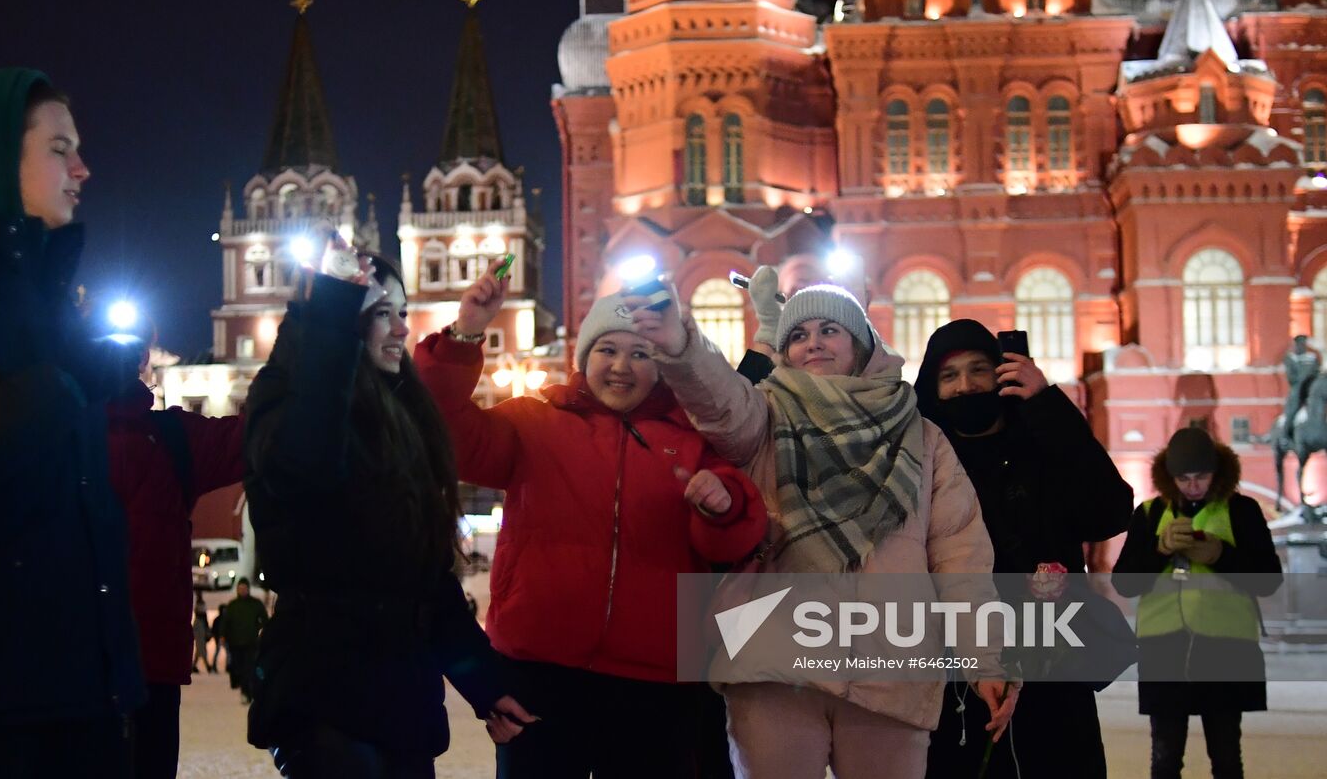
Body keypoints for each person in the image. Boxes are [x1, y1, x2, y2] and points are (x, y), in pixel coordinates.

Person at [631, 283, 1013, 779]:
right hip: (775, 662)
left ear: (861, 344)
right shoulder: (763, 415)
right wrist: (682, 345)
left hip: (889, 669)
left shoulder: (921, 435)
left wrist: (985, 658)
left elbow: (960, 557)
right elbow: (718, 402)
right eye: (798, 335)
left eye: (829, 330)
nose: (813, 343)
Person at [414, 261, 769, 778]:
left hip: (655, 685)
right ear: (585, 358)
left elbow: (732, 537)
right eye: (607, 350)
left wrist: (722, 505)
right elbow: (438, 428)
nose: (621, 366)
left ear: (662, 365)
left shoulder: (690, 440)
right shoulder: (533, 422)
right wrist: (465, 333)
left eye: (640, 353)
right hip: (539, 674)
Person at [0, 69, 145, 777]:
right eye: (59, 149)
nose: (83, 169)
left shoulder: (49, 296)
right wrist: (59, 386)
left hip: (81, 695)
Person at [245, 244, 530, 776]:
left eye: (402, 311)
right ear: (337, 318)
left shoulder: (403, 415)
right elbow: (308, 463)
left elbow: (427, 585)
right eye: (381, 313)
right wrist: (329, 308)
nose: (401, 328)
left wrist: (485, 683)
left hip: (403, 707)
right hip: (323, 702)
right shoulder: (286, 396)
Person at [914, 319, 1132, 778]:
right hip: (958, 672)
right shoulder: (922, 466)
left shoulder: (1044, 445)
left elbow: (1110, 513)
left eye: (979, 369)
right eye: (949, 376)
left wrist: (1047, 404)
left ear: (1002, 374)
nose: (965, 386)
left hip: (1053, 664)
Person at [106, 342, 245, 779]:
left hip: (78, 669)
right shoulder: (173, 439)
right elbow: (263, 435)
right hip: (145, 667)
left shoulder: (44, 433)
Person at [1112, 427, 1282, 779]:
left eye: (1201, 476)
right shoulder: (1149, 514)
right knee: (1165, 759)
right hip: (1163, 650)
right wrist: (1160, 549)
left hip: (1225, 648)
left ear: (1217, 472)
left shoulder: (1241, 511)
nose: (1193, 486)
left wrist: (1221, 555)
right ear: (1169, 477)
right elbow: (1124, 583)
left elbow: (1269, 580)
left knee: (1226, 757)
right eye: (1183, 478)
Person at [736, 254, 832, 384]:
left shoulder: (842, 330)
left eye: (810, 290)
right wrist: (769, 330)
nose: (813, 345)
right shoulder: (778, 352)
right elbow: (743, 391)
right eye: (795, 292)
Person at [220, 577, 268, 704]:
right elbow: (225, 622)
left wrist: (260, 629)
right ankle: (243, 688)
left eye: (244, 588)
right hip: (235, 642)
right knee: (238, 668)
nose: (242, 591)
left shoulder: (255, 604)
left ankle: (247, 692)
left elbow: (265, 619)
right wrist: (223, 635)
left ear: (248, 589)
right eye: (240, 588)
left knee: (249, 668)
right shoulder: (233, 605)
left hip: (250, 642)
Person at [194, 592, 215, 673]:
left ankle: (194, 666)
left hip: (200, 627)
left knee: (199, 649)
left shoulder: (198, 619)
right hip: (200, 627)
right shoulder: (200, 620)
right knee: (201, 649)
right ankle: (207, 665)